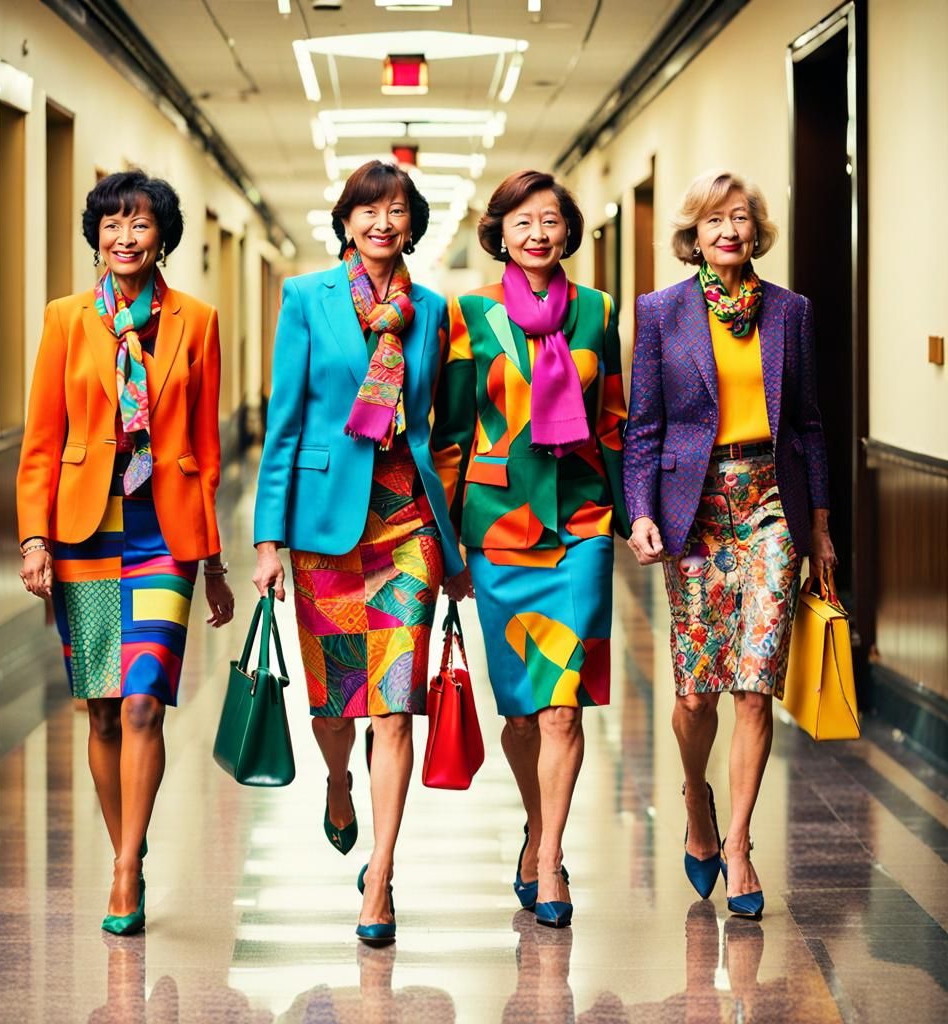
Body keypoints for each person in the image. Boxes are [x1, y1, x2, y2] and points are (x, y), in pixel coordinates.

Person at [252, 160, 466, 945]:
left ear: (413, 224)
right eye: (368, 209)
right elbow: (284, 423)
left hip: (407, 525)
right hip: (325, 531)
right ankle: (337, 781)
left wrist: (454, 538)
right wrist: (269, 539)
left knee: (394, 708)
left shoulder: (435, 310)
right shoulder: (307, 299)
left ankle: (380, 873)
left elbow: (444, 427)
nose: (383, 221)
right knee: (336, 706)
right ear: (346, 222)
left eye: (397, 209)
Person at [17, 171, 234, 935]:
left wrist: (212, 560)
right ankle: (129, 855)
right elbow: (44, 439)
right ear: (96, 237)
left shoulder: (196, 321)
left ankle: (122, 866)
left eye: (139, 224)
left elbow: (205, 448)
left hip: (160, 532)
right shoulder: (67, 320)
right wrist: (34, 536)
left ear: (162, 235)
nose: (124, 238)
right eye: (111, 224)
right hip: (83, 532)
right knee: (102, 710)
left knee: (144, 699)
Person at [624, 169, 835, 920]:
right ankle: (695, 793)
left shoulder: (790, 312)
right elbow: (644, 425)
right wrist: (640, 510)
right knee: (695, 689)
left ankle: (739, 844)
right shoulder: (660, 313)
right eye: (714, 220)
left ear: (756, 230)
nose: (728, 232)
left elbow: (807, 423)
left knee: (754, 682)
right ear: (693, 233)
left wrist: (819, 525)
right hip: (694, 507)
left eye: (740, 218)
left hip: (772, 503)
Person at [431, 169, 630, 929]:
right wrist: (449, 543)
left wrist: (631, 510)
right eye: (523, 222)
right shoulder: (469, 316)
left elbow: (613, 415)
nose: (538, 234)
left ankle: (550, 862)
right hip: (499, 528)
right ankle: (535, 825)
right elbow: (451, 434)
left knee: (563, 711)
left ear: (567, 230)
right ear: (501, 234)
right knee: (521, 714)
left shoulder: (597, 311)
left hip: (579, 522)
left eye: (550, 220)